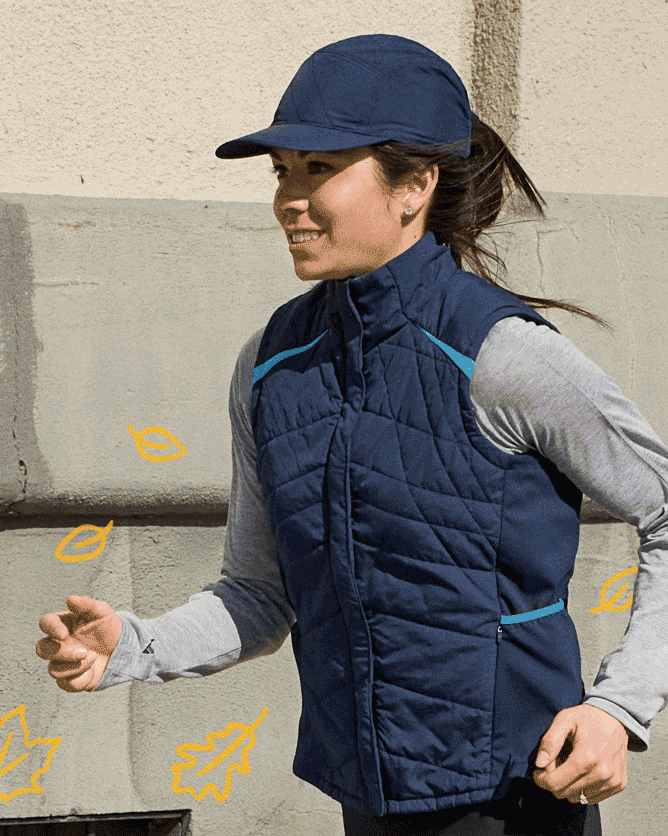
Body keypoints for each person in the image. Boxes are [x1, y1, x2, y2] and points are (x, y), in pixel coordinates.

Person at [36, 35, 668, 836]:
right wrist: (134, 644)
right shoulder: (271, 367)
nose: (289, 200)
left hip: (519, 794)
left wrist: (619, 707)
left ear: (416, 185)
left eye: (320, 169)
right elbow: (261, 595)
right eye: (283, 171)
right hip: (362, 799)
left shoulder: (501, 356)